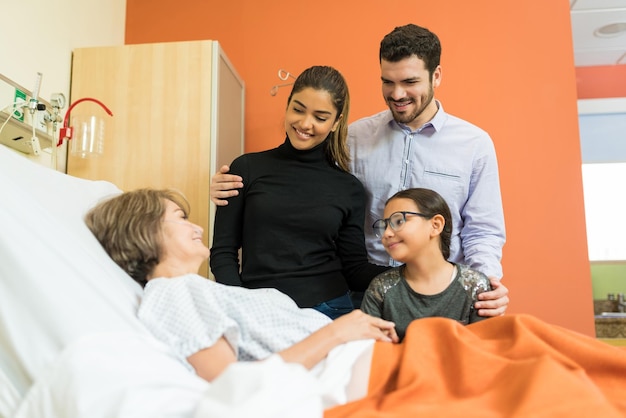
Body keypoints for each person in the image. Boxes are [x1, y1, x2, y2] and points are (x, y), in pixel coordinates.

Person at [209, 24, 508, 317]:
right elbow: (299, 184)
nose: (397, 93)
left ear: (436, 75)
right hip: (364, 298)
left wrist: (482, 285)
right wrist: (225, 188)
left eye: (410, 82)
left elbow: (483, 232)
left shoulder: (474, 144)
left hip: (439, 293)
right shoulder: (354, 138)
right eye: (388, 82)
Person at [84, 188, 398, 383]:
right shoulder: (171, 292)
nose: (197, 226)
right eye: (180, 217)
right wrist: (338, 331)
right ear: (145, 230)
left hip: (362, 361)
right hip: (348, 375)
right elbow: (232, 385)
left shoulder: (199, 289)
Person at [209, 65, 389, 319]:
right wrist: (239, 304)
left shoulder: (349, 188)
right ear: (288, 105)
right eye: (298, 109)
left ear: (336, 123)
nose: (305, 124)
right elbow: (223, 252)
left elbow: (355, 270)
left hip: (329, 310)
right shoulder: (246, 168)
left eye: (320, 117)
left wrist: (413, 272)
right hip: (258, 309)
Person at [361, 188, 491, 341]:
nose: (387, 234)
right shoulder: (380, 288)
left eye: (398, 221)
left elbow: (483, 352)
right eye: (385, 226)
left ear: (436, 225)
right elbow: (370, 351)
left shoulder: (476, 286)